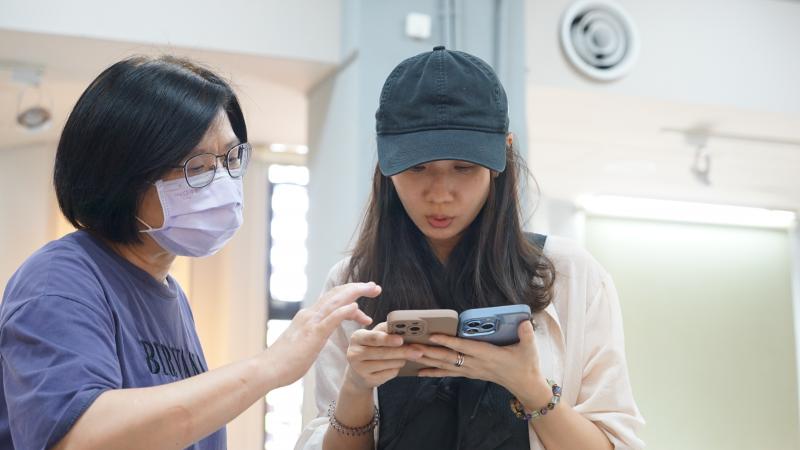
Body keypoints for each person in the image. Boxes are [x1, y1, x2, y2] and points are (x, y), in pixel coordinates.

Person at [0, 55, 381, 450]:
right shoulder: (58, 280)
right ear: (120, 175)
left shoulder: (170, 296)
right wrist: (269, 366)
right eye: (196, 166)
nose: (223, 181)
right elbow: (78, 438)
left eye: (231, 158)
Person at [296, 46, 645, 450]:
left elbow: (616, 442)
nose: (440, 194)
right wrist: (356, 387)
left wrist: (530, 388)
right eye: (416, 167)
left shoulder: (570, 274)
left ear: (504, 153)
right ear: (386, 164)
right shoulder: (353, 283)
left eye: (464, 167)